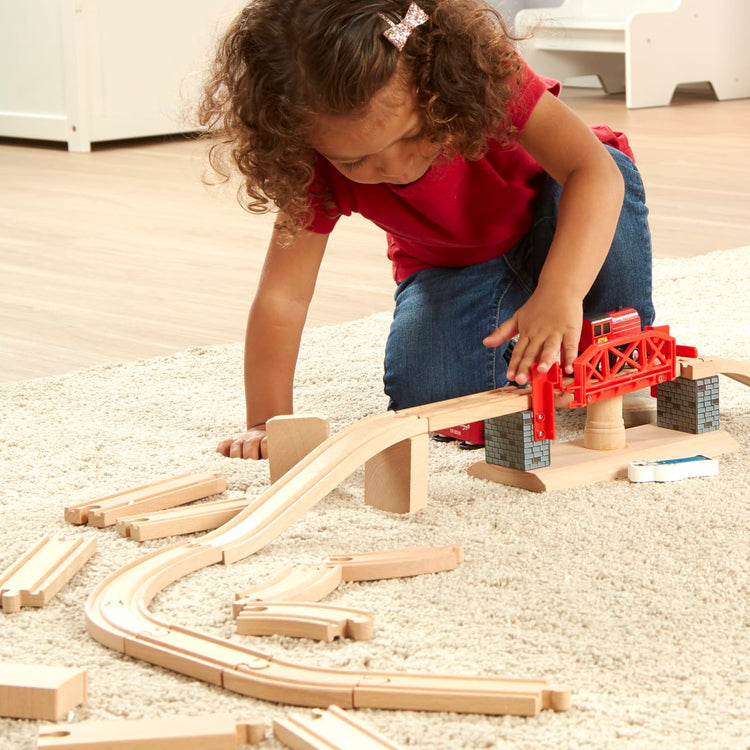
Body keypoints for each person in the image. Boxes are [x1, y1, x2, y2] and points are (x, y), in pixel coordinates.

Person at [201, 0, 654, 460]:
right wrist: (266, 420)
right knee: (432, 400)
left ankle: (614, 345)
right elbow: (284, 295)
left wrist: (561, 291)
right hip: (455, 266)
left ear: (438, 83)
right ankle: (534, 337)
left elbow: (592, 173)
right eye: (354, 161)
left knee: (609, 171)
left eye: (412, 133)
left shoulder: (484, 73)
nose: (394, 165)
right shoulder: (310, 164)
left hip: (556, 219)